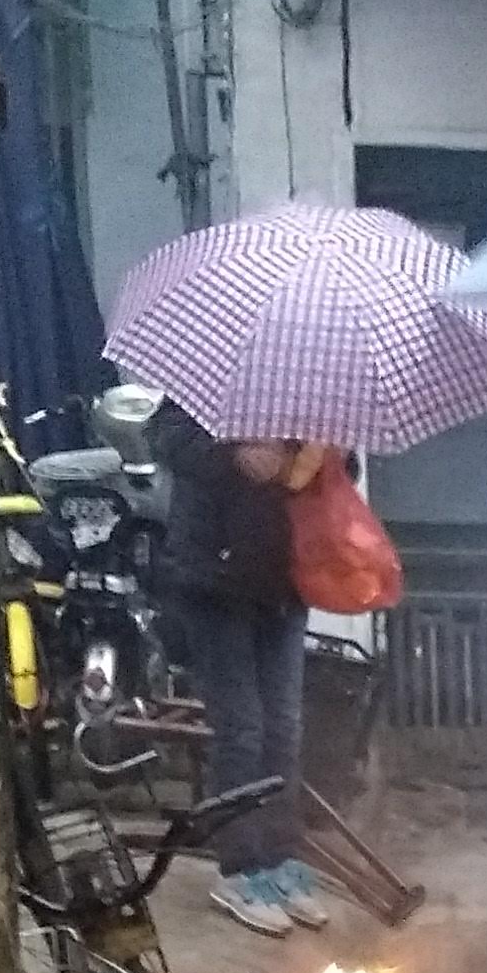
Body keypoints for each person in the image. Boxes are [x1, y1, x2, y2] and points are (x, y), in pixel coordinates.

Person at [152, 400, 331, 936]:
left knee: (284, 726)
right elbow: (167, 441)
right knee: (242, 729)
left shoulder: (310, 383)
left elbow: (340, 478)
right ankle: (238, 868)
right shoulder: (207, 378)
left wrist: (325, 455)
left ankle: (278, 856)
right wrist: (235, 452)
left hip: (284, 581)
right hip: (214, 581)